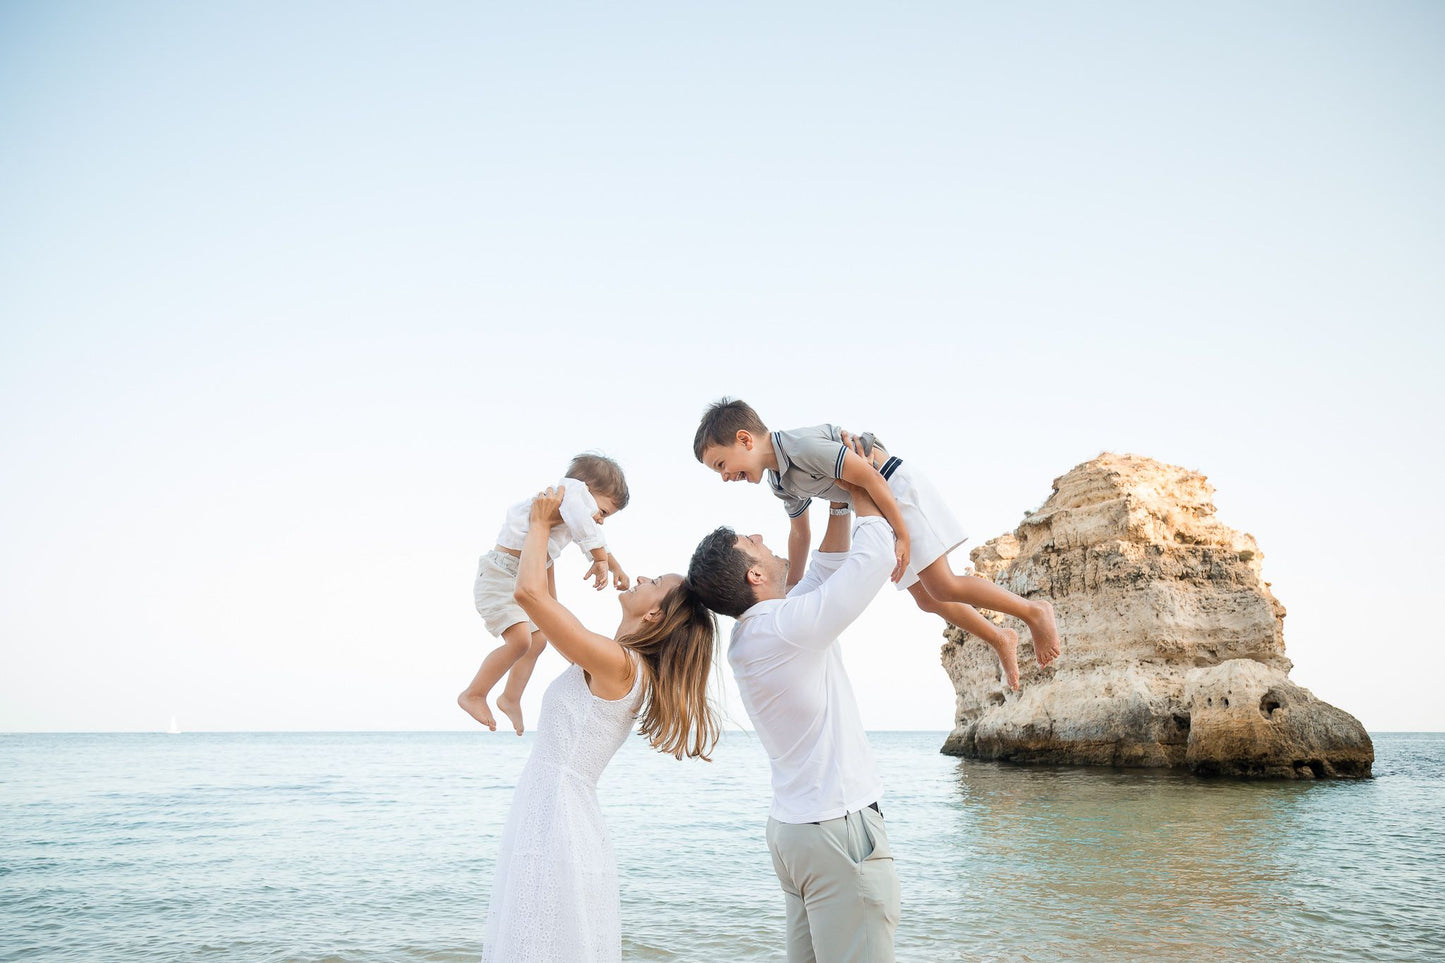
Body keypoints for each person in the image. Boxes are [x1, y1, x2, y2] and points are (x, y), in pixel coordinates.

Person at [482, 486, 720, 963]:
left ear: (654, 613)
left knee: (538, 938)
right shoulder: (618, 661)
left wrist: (536, 524)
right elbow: (546, 604)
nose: (645, 576)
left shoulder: (619, 663)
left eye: (656, 583)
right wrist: (550, 535)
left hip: (558, 816)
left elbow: (527, 595)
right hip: (557, 808)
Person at [693, 398, 1061, 690]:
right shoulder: (779, 481)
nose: (725, 477)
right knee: (928, 599)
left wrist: (900, 534)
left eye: (721, 464)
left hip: (892, 488)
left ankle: (1034, 612)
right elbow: (800, 534)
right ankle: (999, 637)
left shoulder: (801, 446)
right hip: (874, 506)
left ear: (745, 439)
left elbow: (869, 476)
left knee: (943, 583)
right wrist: (791, 591)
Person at [688, 478, 898, 962]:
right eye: (751, 543)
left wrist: (840, 502)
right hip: (835, 831)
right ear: (754, 577)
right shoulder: (783, 628)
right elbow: (876, 558)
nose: (762, 538)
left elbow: (825, 570)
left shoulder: (756, 634)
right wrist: (862, 479)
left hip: (797, 833)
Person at [460, 453, 632, 733]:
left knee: (538, 641)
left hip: (526, 569)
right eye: (603, 511)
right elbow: (585, 525)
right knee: (519, 642)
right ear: (588, 488)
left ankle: (511, 697)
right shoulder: (573, 495)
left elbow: (594, 536)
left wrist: (615, 567)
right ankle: (474, 693)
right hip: (502, 574)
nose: (600, 520)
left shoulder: (575, 504)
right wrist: (598, 559)